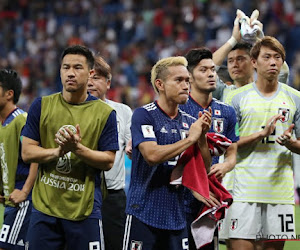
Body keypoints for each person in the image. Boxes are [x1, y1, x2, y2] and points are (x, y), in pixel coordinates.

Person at [21, 45, 119, 250]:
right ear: (60, 70)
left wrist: (77, 148)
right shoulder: (41, 105)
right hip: (44, 209)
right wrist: (57, 151)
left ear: (91, 73)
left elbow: (108, 161)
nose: (71, 73)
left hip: (84, 209)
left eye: (77, 67)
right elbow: (27, 152)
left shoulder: (105, 113)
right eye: (66, 67)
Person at [123, 56, 212, 250]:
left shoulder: (190, 121)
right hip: (143, 213)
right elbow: (152, 155)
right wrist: (189, 139)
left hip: (177, 216)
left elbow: (203, 169)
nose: (186, 85)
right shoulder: (144, 115)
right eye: (178, 80)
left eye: (187, 80)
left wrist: (202, 138)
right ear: (160, 84)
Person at [226, 36, 300, 250]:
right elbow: (225, 145)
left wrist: (290, 144)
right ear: (254, 62)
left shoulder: (295, 98)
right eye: (267, 57)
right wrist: (260, 135)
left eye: (278, 57)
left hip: (280, 194)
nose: (273, 62)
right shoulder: (236, 98)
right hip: (243, 192)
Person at [180, 48, 239, 250]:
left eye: (213, 70)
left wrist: (226, 167)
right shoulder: (178, 108)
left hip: (209, 197)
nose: (211, 74)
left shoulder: (227, 112)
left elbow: (232, 152)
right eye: (203, 70)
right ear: (189, 76)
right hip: (178, 196)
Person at [87, 55, 132, 250]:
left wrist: (133, 147)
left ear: (108, 82)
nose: (90, 82)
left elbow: (133, 145)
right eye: (87, 77)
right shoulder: (70, 111)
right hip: (81, 193)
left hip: (113, 197)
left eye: (96, 77)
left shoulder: (123, 111)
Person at [0, 69, 38, 249]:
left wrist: (24, 191)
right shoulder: (2, 123)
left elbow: (36, 157)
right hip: (10, 199)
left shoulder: (21, 120)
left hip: (24, 200)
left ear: (9, 94)